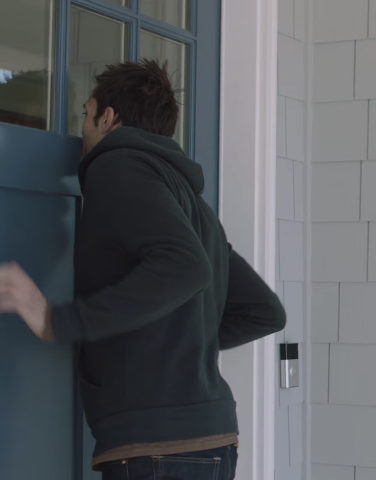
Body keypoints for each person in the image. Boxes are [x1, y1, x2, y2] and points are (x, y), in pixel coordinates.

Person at [0, 60, 286, 479]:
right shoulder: (194, 207)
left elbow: (187, 268)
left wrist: (56, 320)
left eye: (84, 113)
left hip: (158, 450)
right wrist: (171, 340)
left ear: (108, 117)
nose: (80, 129)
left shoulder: (118, 166)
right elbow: (265, 311)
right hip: (213, 443)